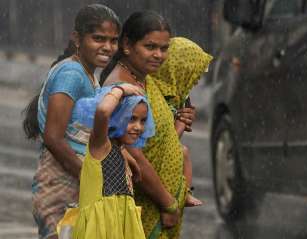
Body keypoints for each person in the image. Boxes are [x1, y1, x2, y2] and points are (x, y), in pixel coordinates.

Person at [100, 12, 209, 238]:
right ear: (128, 45)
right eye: (150, 47)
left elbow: (154, 142)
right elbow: (134, 154)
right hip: (144, 206)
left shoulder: (144, 79)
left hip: (156, 205)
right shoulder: (122, 87)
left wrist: (177, 125)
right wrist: (167, 203)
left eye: (164, 48)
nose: (159, 55)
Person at [22, 4, 120, 239]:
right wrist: (90, 176)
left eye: (113, 40)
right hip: (60, 183)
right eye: (98, 38)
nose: (107, 47)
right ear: (77, 38)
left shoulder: (86, 73)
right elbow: (53, 138)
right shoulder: (72, 74)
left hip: (73, 180)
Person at [70, 84, 152, 239]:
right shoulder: (100, 145)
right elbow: (102, 112)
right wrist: (120, 90)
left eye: (143, 121)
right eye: (131, 119)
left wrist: (129, 159)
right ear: (115, 117)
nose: (138, 127)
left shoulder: (117, 149)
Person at [150, 37, 212, 207]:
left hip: (164, 163)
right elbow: (163, 143)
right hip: (152, 170)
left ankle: (186, 193)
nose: (197, 80)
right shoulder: (155, 95)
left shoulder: (178, 96)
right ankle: (185, 193)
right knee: (183, 152)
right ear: (179, 70)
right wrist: (180, 124)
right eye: (193, 74)